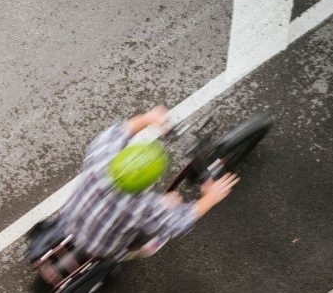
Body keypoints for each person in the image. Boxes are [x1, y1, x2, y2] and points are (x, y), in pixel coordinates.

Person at [57, 105, 240, 262]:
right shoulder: (141, 207)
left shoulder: (102, 156)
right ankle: (139, 252)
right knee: (162, 217)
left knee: (164, 204)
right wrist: (210, 197)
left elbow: (122, 130)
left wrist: (146, 119)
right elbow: (178, 221)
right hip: (102, 248)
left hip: (68, 219)